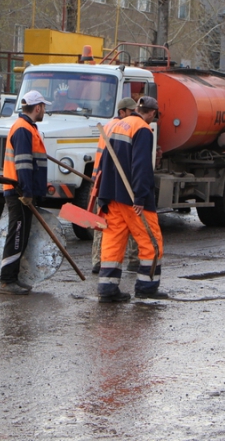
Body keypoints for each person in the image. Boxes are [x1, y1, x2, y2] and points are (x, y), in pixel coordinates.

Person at [96, 96, 165, 303]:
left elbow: (104, 161)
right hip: (132, 199)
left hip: (111, 196)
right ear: (152, 113)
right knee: (151, 243)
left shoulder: (116, 126)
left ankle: (107, 288)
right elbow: (141, 166)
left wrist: (102, 194)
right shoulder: (143, 129)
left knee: (113, 242)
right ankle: (147, 287)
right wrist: (141, 197)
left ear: (136, 108)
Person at [0, 90, 51, 295]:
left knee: (21, 234)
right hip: (18, 191)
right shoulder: (22, 129)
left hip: (23, 191)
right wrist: (27, 191)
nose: (44, 110)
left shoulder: (28, 128)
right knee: (17, 235)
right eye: (44, 107)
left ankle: (13, 277)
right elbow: (23, 164)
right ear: (37, 107)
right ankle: (6, 280)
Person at [91, 97, 139, 275]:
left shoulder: (109, 126)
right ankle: (134, 259)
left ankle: (98, 260)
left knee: (102, 221)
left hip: (101, 180)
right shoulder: (124, 127)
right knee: (132, 218)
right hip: (115, 181)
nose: (134, 114)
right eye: (131, 111)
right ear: (122, 112)